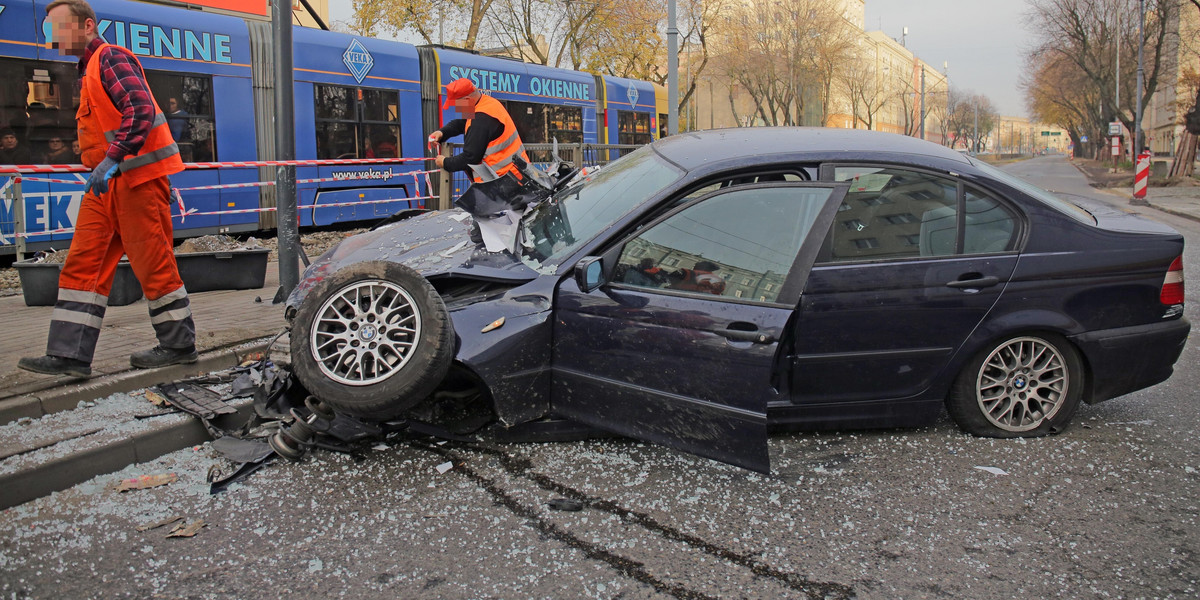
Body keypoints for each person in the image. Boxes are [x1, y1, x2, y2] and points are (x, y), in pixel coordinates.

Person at [18, 0, 195, 378]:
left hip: (137, 182)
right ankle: (70, 355)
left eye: (58, 28)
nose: (52, 38)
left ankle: (179, 346)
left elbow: (140, 110)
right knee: (84, 262)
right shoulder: (89, 70)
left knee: (153, 263)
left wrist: (112, 158)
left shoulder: (111, 58)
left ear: (86, 26)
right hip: (108, 186)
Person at [427, 78, 529, 182]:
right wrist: (442, 132)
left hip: (503, 180)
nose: (456, 108)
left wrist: (445, 162)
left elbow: (470, 158)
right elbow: (463, 123)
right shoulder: (487, 103)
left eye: (456, 104)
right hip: (516, 173)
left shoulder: (481, 119)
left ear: (466, 100)